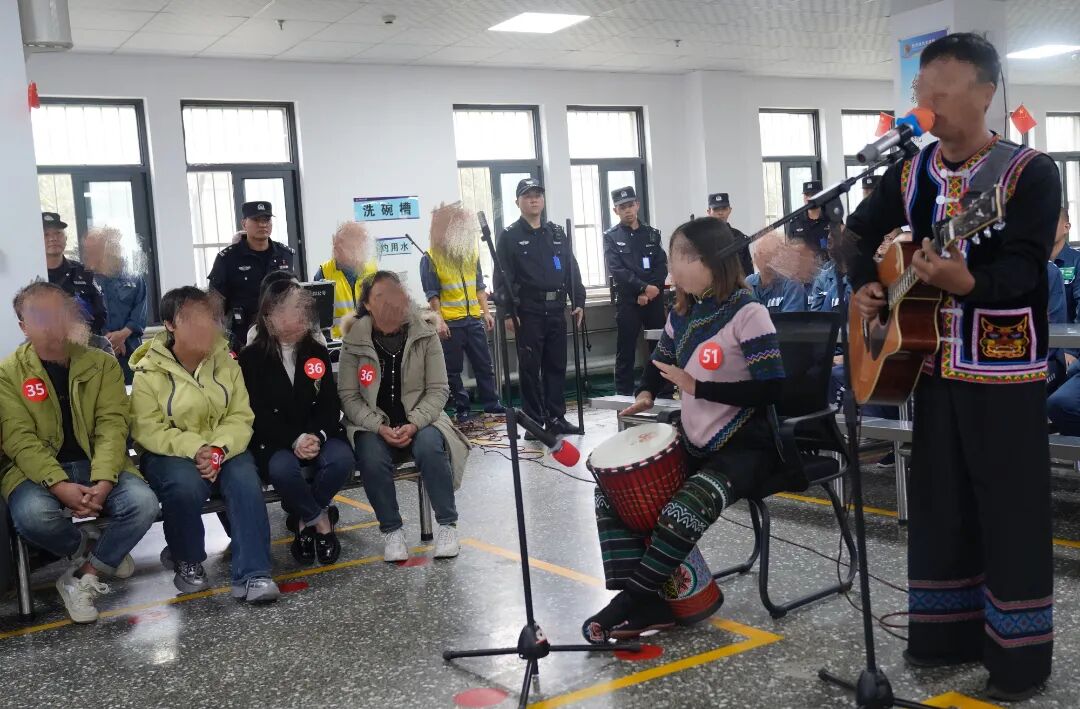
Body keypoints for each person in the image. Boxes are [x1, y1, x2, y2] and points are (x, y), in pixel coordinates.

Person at [846, 33, 1058, 701]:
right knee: (941, 507)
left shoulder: (1028, 172)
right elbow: (855, 232)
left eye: (940, 90)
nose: (927, 102)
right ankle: (944, 639)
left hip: (1006, 374)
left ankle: (1018, 661)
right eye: (920, 91)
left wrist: (969, 283)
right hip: (931, 366)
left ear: (984, 92)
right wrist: (865, 285)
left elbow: (1026, 271)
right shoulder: (910, 172)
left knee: (1010, 514)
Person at [582, 217, 785, 642]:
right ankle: (652, 606)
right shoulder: (684, 312)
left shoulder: (750, 314)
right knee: (614, 493)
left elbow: (772, 390)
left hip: (748, 446)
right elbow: (662, 360)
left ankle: (628, 604)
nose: (671, 269)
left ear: (710, 261)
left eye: (679, 258)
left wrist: (699, 387)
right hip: (695, 443)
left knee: (685, 507)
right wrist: (646, 392)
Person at [0, 282, 158, 623]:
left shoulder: (101, 364)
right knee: (32, 516)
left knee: (143, 503)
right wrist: (59, 485)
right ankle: (96, 551)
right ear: (24, 327)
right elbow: (19, 439)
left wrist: (103, 480)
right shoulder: (7, 374)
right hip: (35, 472)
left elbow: (113, 426)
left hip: (98, 463)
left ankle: (85, 575)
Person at [130, 287, 279, 603]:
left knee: (244, 480)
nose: (205, 325)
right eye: (193, 318)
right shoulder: (148, 370)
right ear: (170, 324)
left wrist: (218, 450)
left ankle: (254, 573)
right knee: (184, 485)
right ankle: (187, 557)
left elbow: (240, 415)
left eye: (210, 318)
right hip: (170, 452)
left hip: (225, 447)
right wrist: (197, 448)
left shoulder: (226, 361)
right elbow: (147, 428)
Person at [338, 271, 471, 562]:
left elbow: (438, 389)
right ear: (367, 304)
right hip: (372, 423)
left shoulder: (425, 332)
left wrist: (414, 423)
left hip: (422, 418)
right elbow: (349, 396)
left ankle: (447, 525)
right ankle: (392, 531)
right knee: (370, 455)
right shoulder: (353, 340)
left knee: (430, 446)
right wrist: (379, 426)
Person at [239, 280, 353, 566]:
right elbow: (256, 412)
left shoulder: (315, 350)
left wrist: (316, 435)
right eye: (294, 311)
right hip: (275, 439)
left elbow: (329, 403)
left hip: (317, 434)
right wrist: (295, 439)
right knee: (282, 469)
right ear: (270, 317)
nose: (303, 317)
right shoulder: (251, 358)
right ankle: (320, 521)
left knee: (341, 460)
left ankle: (303, 521)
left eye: (304, 310)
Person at [494, 178, 586, 436]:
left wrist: (578, 301)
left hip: (556, 309)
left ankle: (556, 418)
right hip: (528, 312)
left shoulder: (556, 233)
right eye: (527, 196)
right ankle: (534, 422)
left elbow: (571, 269)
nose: (533, 199)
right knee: (530, 369)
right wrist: (507, 313)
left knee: (556, 366)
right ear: (518, 202)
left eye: (537, 195)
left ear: (543, 200)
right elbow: (502, 278)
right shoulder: (510, 236)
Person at [419, 202, 503, 421]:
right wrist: (440, 321)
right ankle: (462, 407)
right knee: (452, 370)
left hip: (473, 319)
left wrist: (486, 312)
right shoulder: (430, 258)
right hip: (451, 323)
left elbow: (479, 287)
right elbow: (433, 295)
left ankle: (491, 404)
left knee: (484, 365)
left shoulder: (470, 253)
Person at [603, 186, 668, 396]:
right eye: (622, 207)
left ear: (637, 205)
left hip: (654, 299)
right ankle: (624, 396)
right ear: (616, 210)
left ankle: (663, 392)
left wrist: (651, 290)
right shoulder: (611, 237)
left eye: (630, 205)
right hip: (628, 301)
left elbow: (661, 265)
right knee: (626, 350)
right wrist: (642, 288)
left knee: (660, 347)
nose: (628, 210)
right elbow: (617, 270)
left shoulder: (652, 234)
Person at [208, 201, 295, 351]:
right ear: (244, 223)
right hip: (241, 335)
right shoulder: (228, 258)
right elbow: (215, 303)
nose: (262, 225)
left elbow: (293, 293)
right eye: (256, 220)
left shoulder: (285, 254)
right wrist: (219, 339)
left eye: (266, 220)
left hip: (281, 333)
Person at [82, 227, 148, 384]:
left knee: (133, 391)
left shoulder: (134, 278)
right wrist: (107, 340)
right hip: (96, 351)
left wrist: (122, 335)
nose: (114, 249)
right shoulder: (86, 279)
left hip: (130, 350)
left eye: (117, 244)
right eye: (109, 244)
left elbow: (140, 313)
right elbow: (84, 314)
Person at [42, 212, 107, 336]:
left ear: (66, 238)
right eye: (46, 234)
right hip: (46, 342)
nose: (53, 238)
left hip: (83, 340)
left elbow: (100, 313)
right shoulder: (32, 275)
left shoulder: (83, 272)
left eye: (58, 233)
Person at [313, 222, 378, 340]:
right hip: (339, 343)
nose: (335, 249)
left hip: (369, 340)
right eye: (336, 245)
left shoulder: (372, 271)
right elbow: (317, 320)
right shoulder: (324, 272)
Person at [744, 232, 808, 313]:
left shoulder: (792, 285)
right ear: (755, 257)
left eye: (771, 253)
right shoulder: (748, 283)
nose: (766, 258)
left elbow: (790, 320)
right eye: (762, 253)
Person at [706, 192, 755, 276]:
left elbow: (748, 270)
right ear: (709, 211)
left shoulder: (739, 237)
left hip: (736, 282)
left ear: (730, 210)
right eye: (716, 209)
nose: (720, 213)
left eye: (724, 208)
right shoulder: (702, 237)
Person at [787, 180, 831, 261]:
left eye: (814, 195)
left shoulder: (832, 220)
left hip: (829, 266)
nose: (809, 198)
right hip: (804, 267)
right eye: (807, 195)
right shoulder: (795, 223)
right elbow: (790, 252)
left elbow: (842, 248)